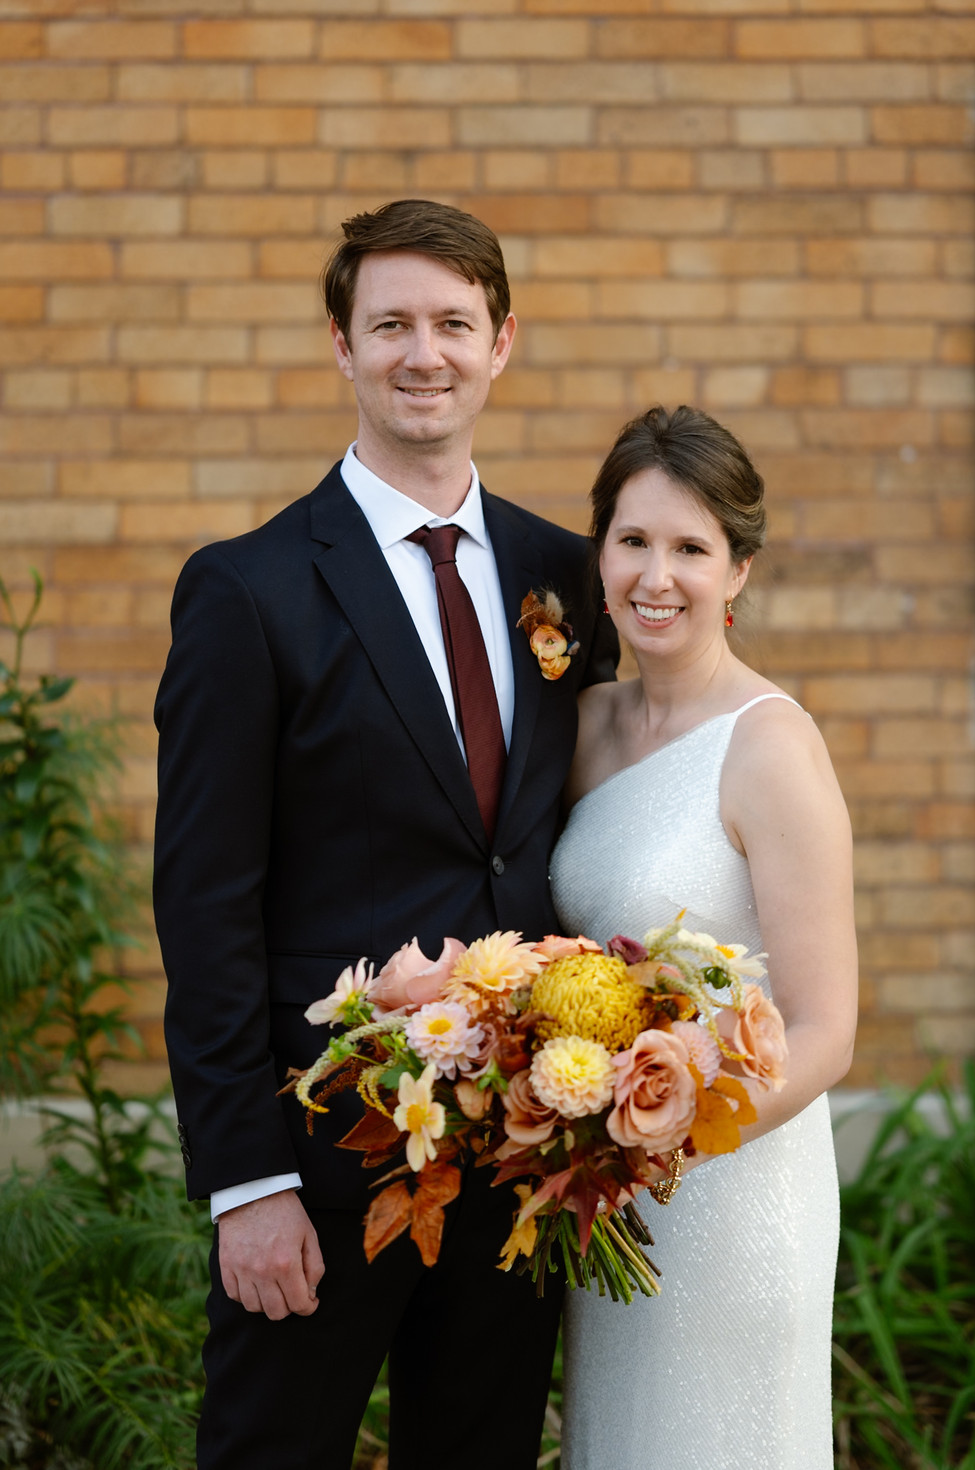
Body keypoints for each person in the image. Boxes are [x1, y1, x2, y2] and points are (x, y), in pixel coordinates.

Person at [152, 198, 619, 1470]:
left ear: (501, 343)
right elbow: (202, 904)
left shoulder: (563, 575)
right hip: (321, 1159)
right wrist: (245, 1182)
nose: (426, 353)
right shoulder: (246, 589)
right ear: (342, 349)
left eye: (453, 323)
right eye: (392, 324)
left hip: (520, 1149)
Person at [550, 405, 857, 1470]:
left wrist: (670, 1138)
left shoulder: (769, 746)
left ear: (737, 573)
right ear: (599, 554)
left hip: (728, 1185)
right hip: (604, 1193)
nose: (656, 576)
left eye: (690, 548)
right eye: (632, 541)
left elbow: (826, 1030)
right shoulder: (583, 728)